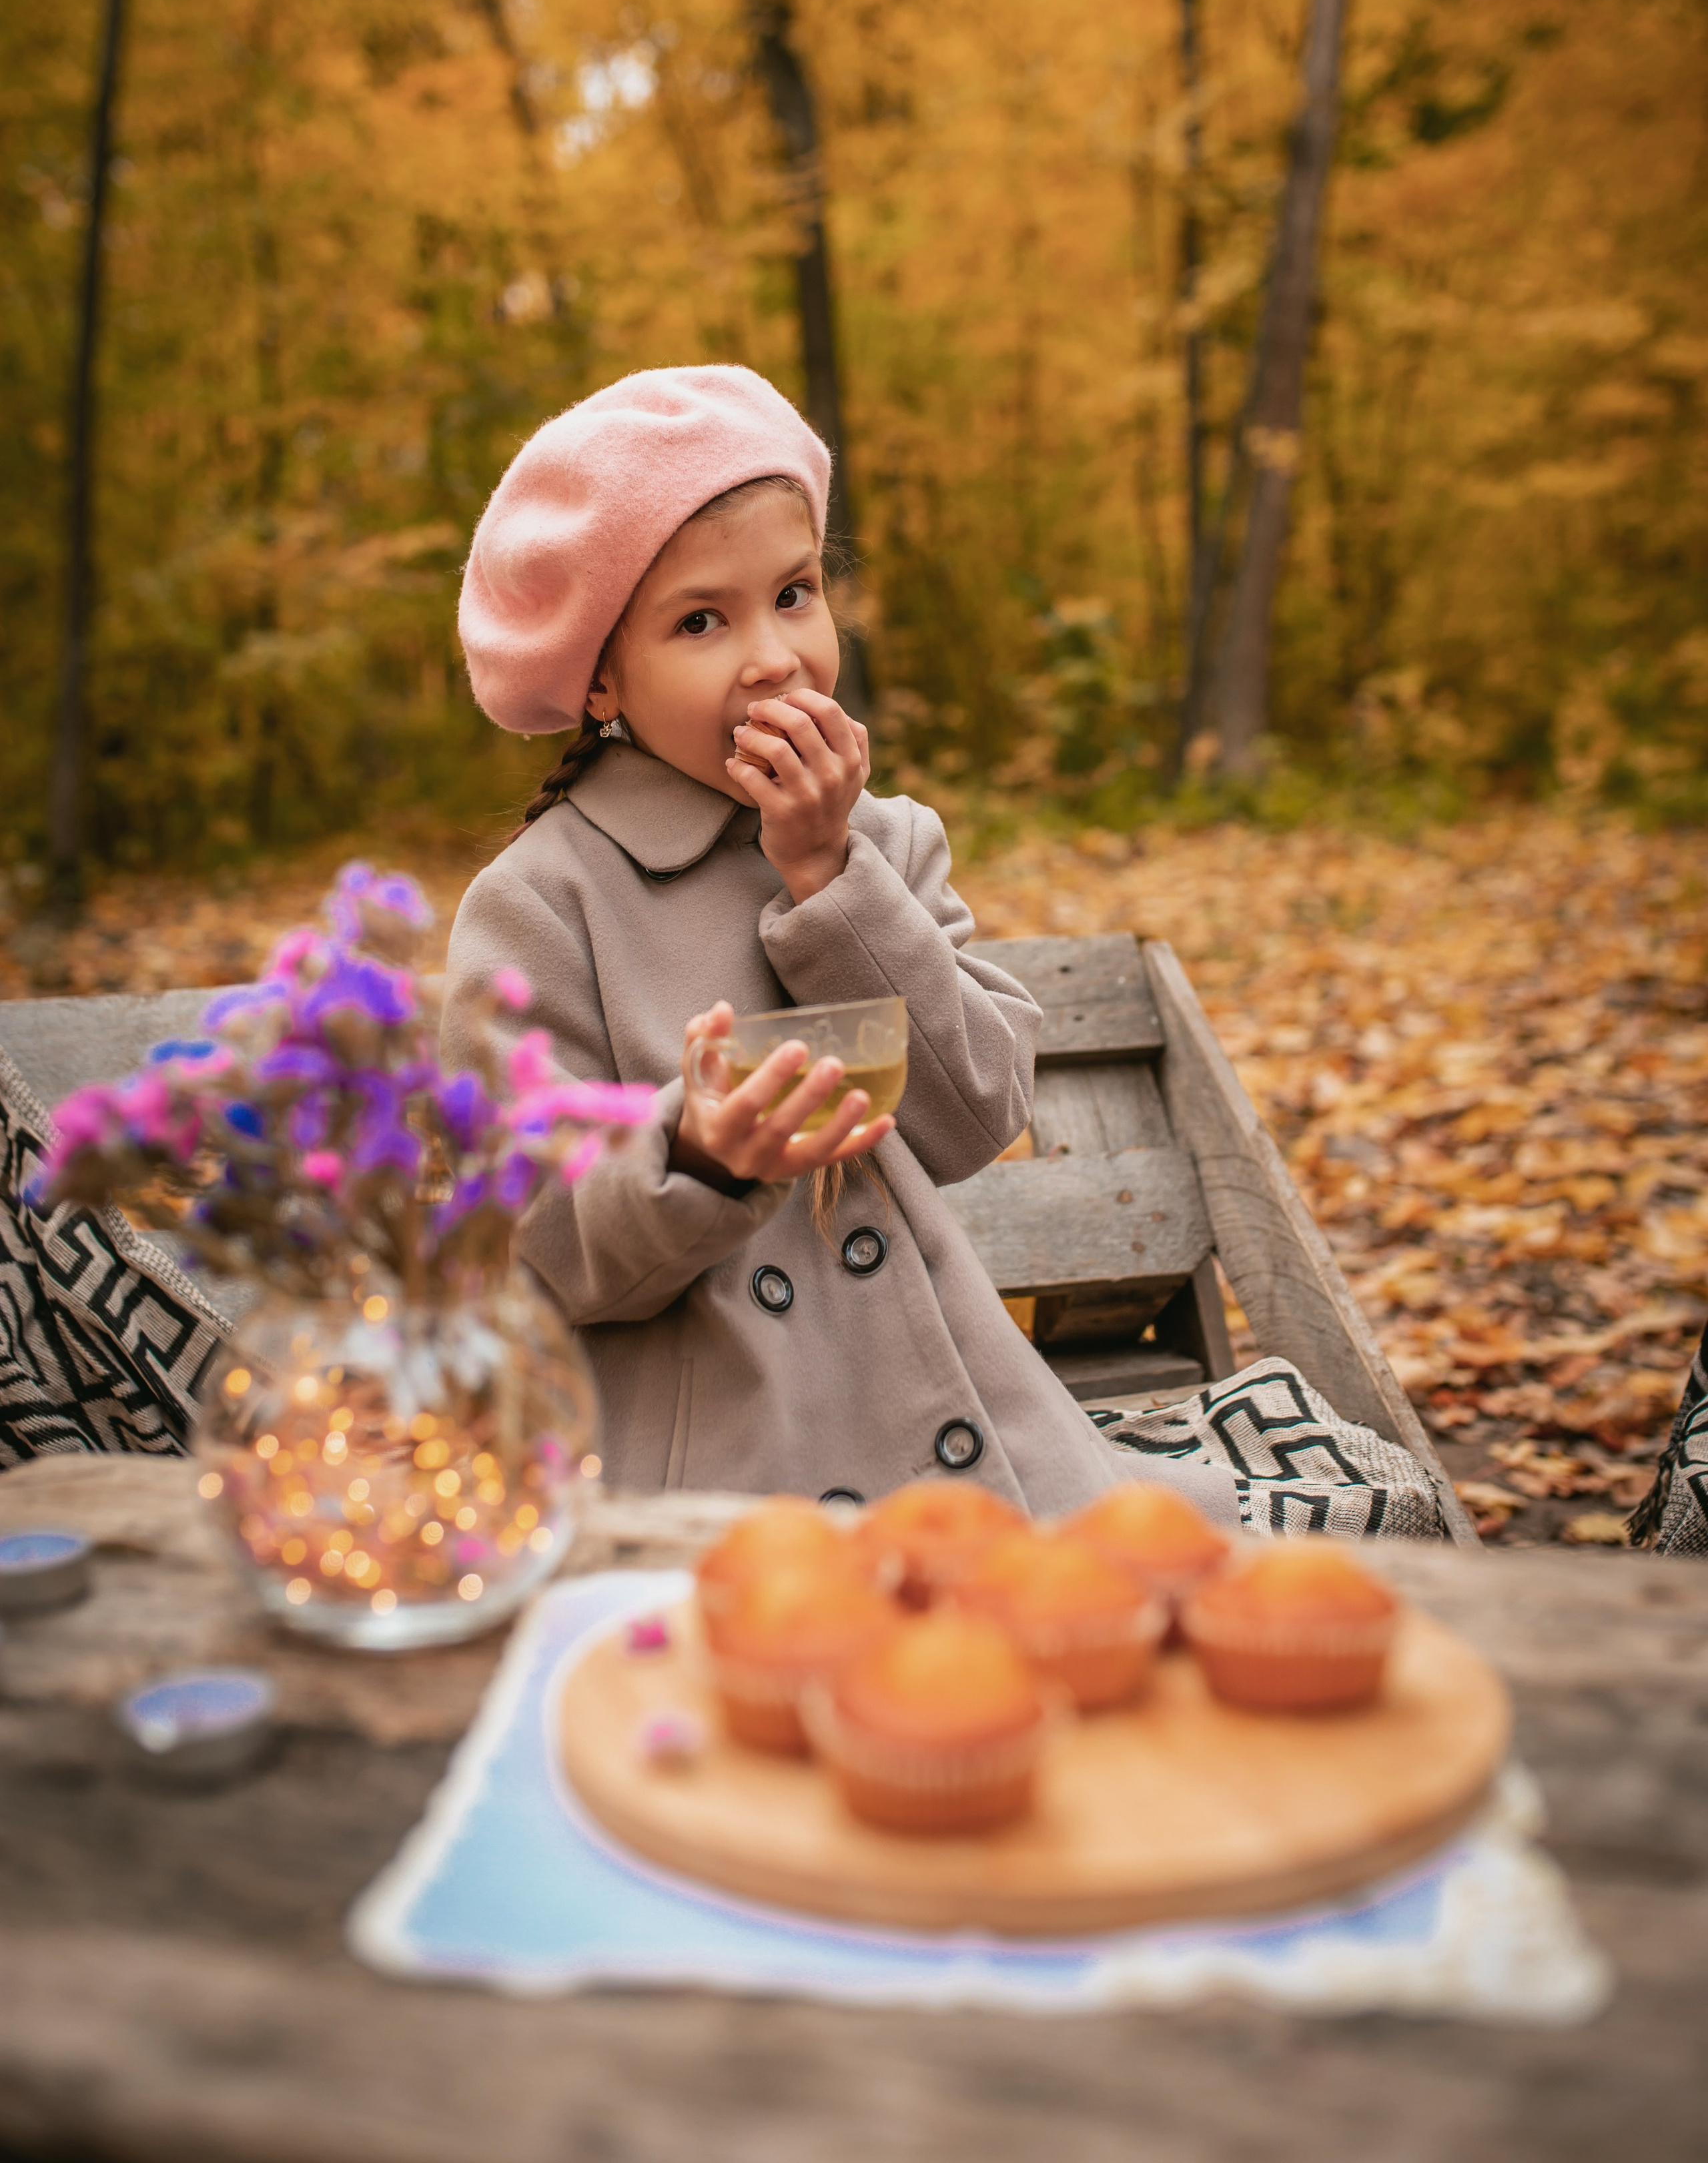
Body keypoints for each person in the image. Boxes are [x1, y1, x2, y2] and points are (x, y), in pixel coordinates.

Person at [442, 364, 1448, 1541]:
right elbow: (514, 1240)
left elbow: (972, 1115)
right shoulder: (539, 906)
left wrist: (829, 879)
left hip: (961, 1442)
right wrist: (694, 1153)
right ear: (601, 677)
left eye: (796, 594)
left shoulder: (883, 845)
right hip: (712, 1471)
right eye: (701, 621)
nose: (773, 657)